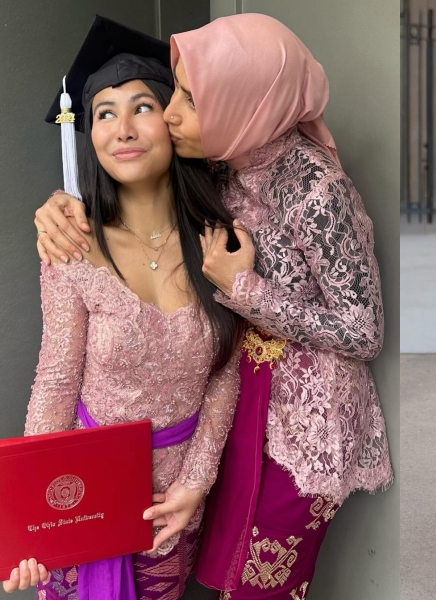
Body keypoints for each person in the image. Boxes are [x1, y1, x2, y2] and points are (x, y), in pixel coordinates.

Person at [32, 14, 391, 599]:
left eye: (182, 101)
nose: (170, 116)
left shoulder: (306, 182)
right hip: (228, 420)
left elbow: (360, 329)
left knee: (255, 590)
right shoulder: (220, 174)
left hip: (297, 428)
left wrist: (243, 289)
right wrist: (59, 205)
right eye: (175, 97)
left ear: (242, 101)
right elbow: (55, 376)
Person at [3, 18, 241, 600]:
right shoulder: (73, 247)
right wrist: (29, 514)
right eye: (104, 113)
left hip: (171, 506)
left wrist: (197, 483)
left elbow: (226, 369)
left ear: (174, 121)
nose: (123, 129)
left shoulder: (220, 240)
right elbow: (57, 380)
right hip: (81, 494)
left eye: (142, 107)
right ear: (90, 135)